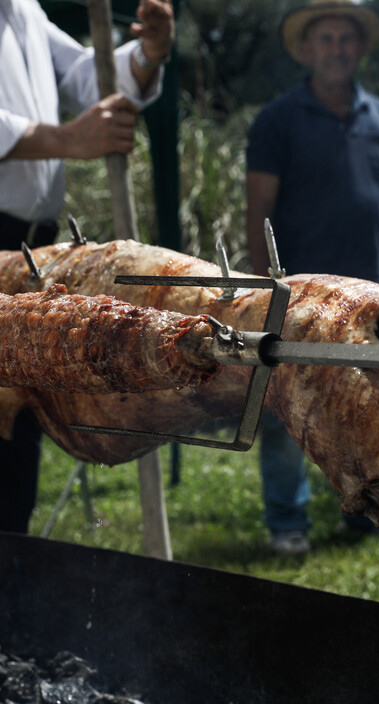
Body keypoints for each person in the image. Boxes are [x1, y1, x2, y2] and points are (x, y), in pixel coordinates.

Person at [245, 0, 379, 555]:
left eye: (345, 39)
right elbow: (259, 207)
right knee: (288, 407)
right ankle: (287, 521)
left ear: (358, 48)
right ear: (307, 49)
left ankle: (369, 511)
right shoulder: (278, 120)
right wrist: (266, 287)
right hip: (300, 296)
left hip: (372, 290)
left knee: (373, 406)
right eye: (324, 39)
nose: (336, 48)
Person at [0, 0, 175, 533]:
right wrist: (69, 140)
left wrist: (146, 56)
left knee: (12, 426)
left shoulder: (21, 8)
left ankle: (12, 585)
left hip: (29, 249)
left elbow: (87, 74)